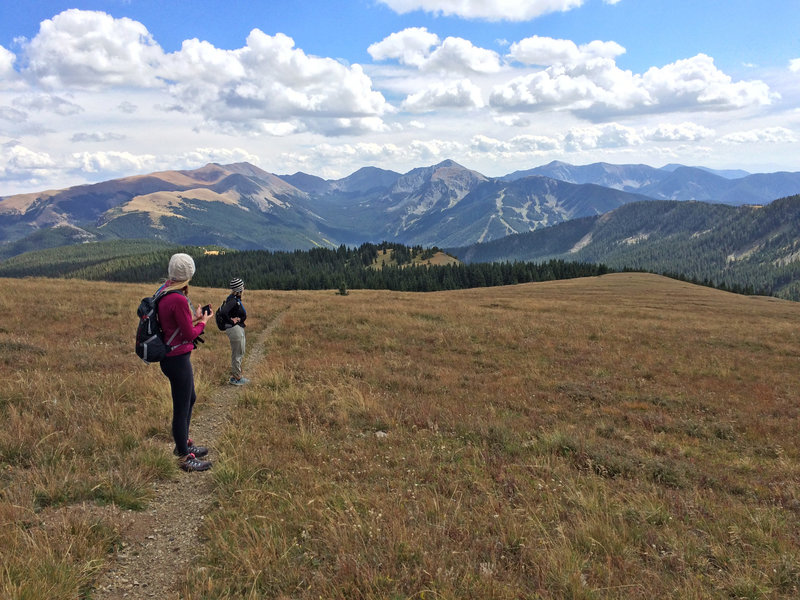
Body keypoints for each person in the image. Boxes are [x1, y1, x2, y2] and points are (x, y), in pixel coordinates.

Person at [156, 253, 214, 472]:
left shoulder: (165, 291)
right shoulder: (178, 298)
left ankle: (184, 443)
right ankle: (183, 457)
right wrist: (204, 322)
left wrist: (196, 317)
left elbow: (175, 325)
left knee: (190, 398)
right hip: (177, 358)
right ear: (189, 274)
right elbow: (189, 335)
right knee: (182, 406)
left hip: (171, 357)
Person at [220, 277, 249, 385]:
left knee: (239, 352)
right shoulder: (232, 300)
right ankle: (236, 378)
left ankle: (236, 375)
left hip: (236, 329)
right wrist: (232, 321)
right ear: (240, 289)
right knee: (238, 353)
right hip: (234, 329)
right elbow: (223, 312)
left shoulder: (234, 299)